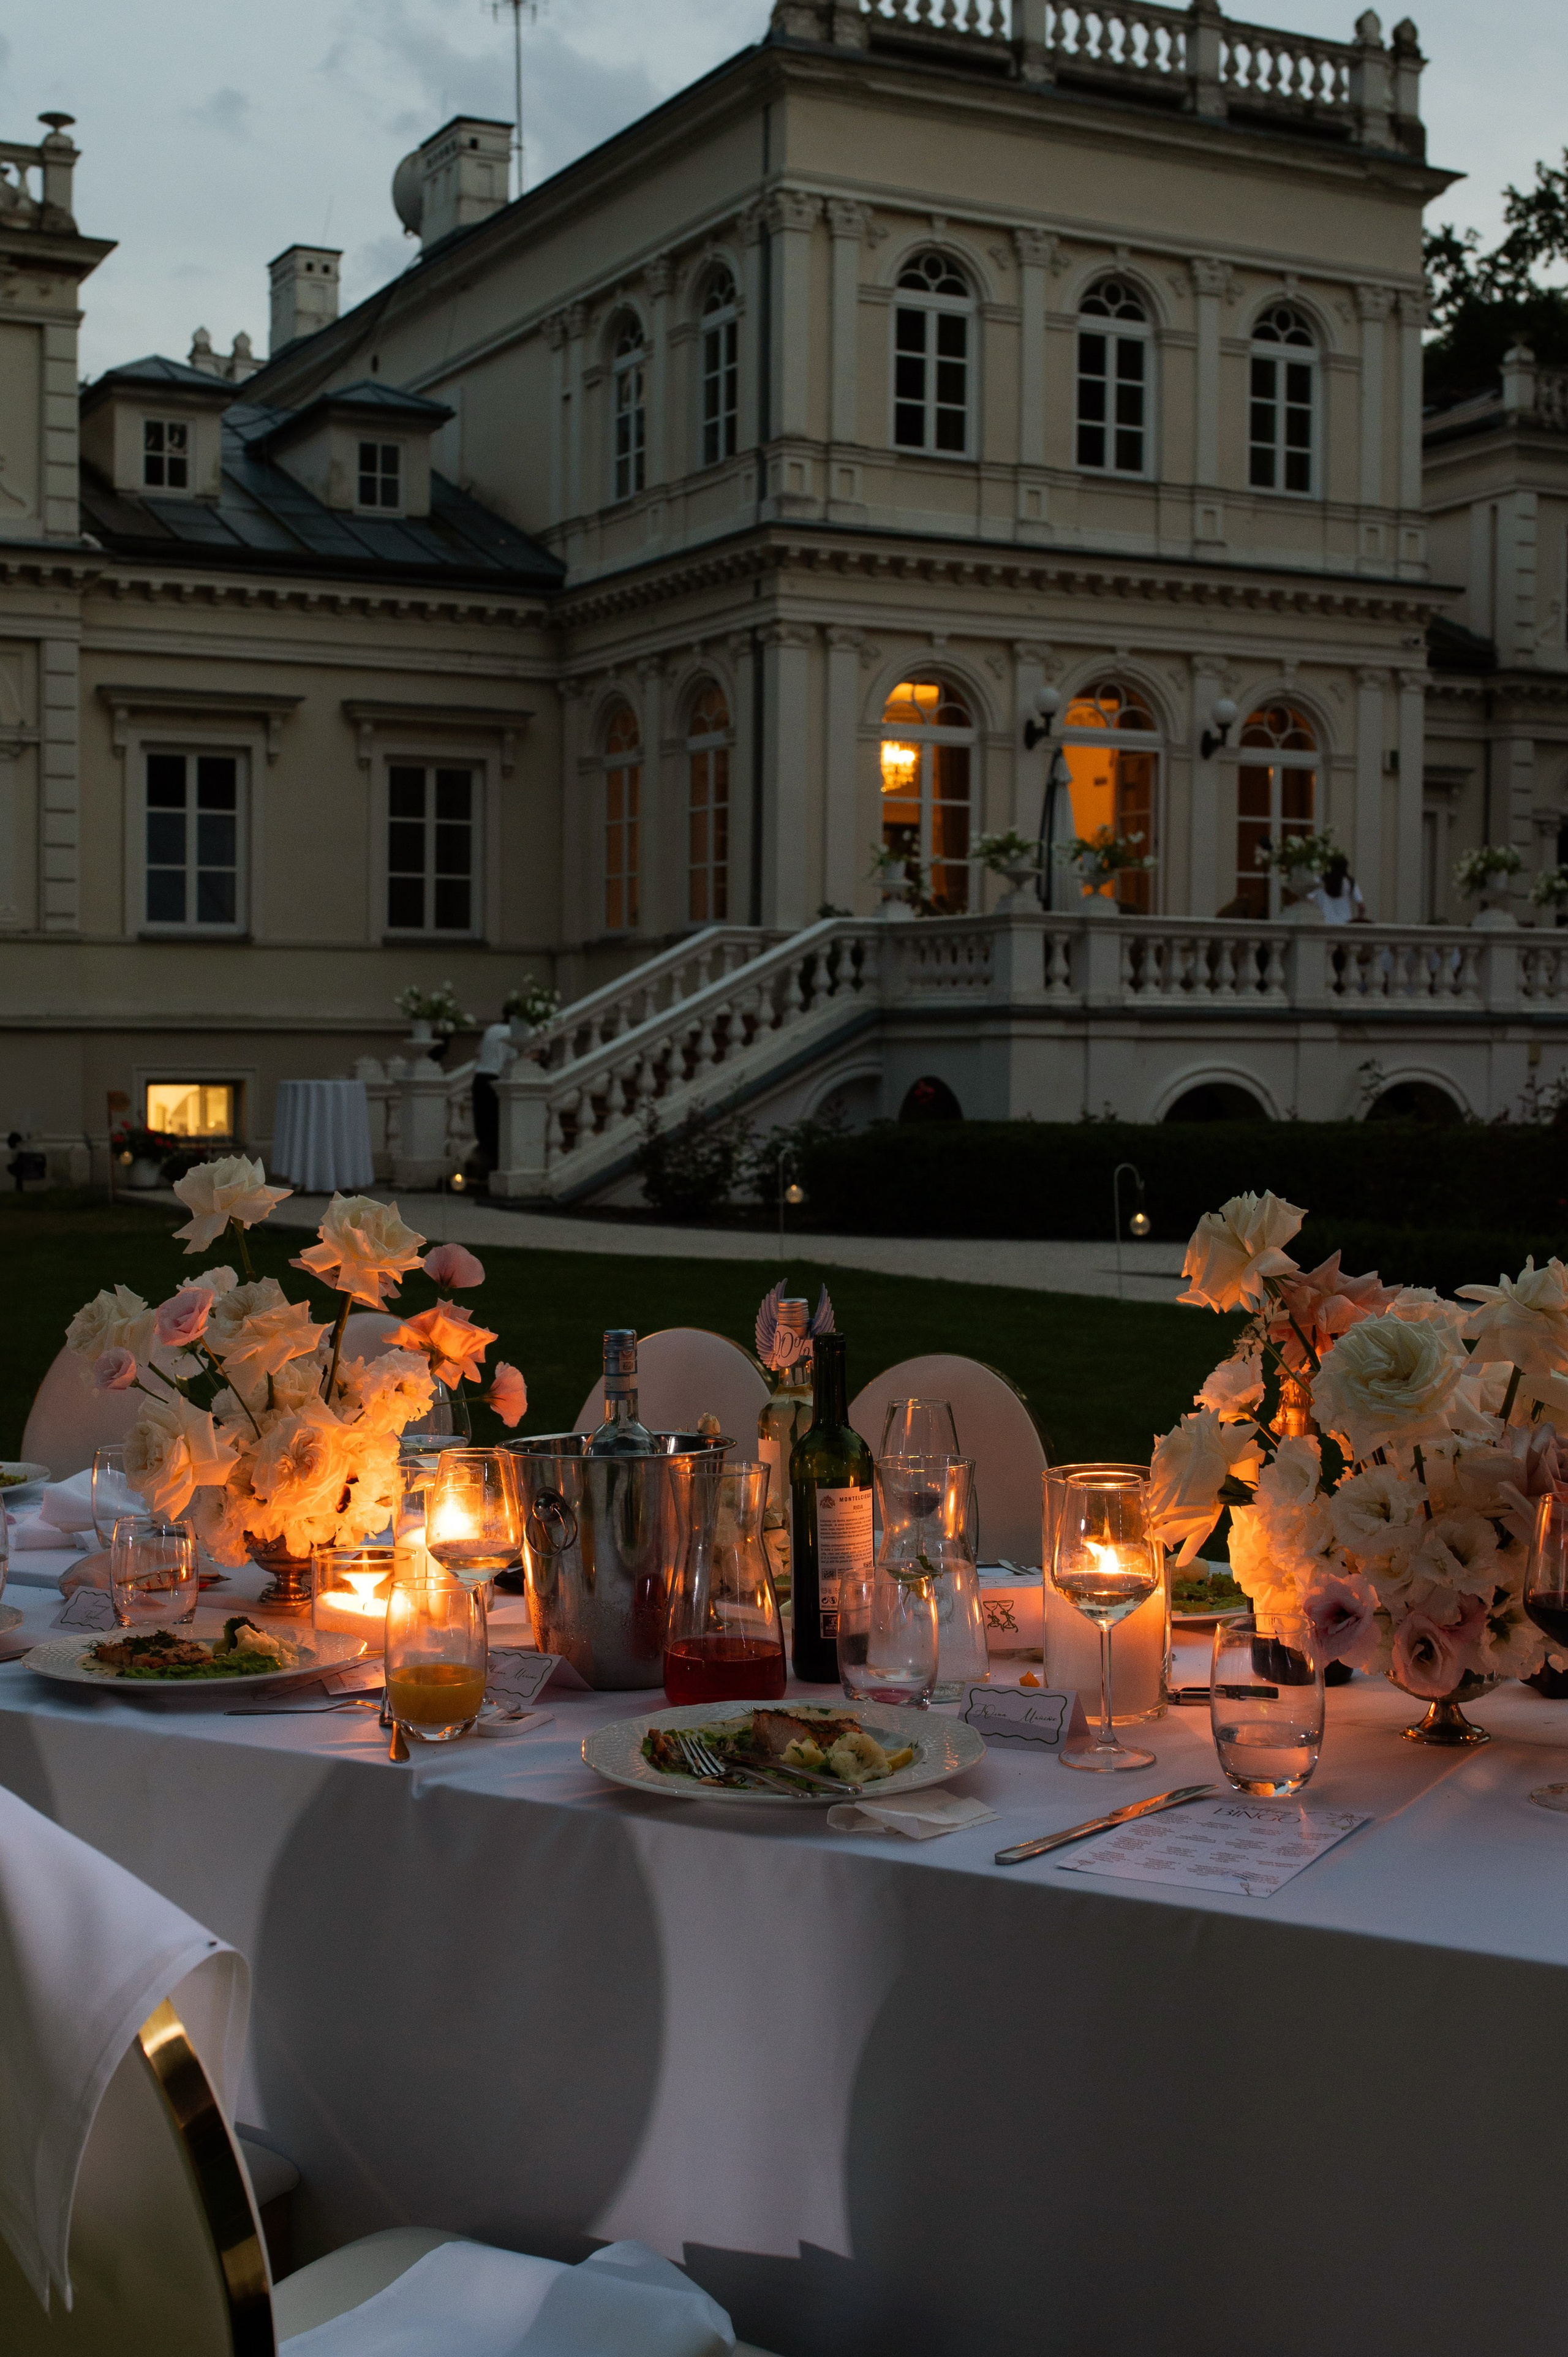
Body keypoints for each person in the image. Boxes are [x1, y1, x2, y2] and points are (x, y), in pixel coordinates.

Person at [471, 1020, 514, 1169]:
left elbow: (477, 1052)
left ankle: (485, 1163)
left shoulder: (492, 1029)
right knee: (496, 1125)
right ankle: (492, 1165)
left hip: (480, 1077)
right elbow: (514, 1057)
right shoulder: (513, 1033)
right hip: (495, 1078)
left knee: (483, 1124)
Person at [1305, 853, 1366, 924]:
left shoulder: (1321, 881)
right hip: (1345, 922)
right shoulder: (1350, 882)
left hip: (1325, 922)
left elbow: (1309, 899)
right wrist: (1360, 918)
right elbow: (1361, 906)